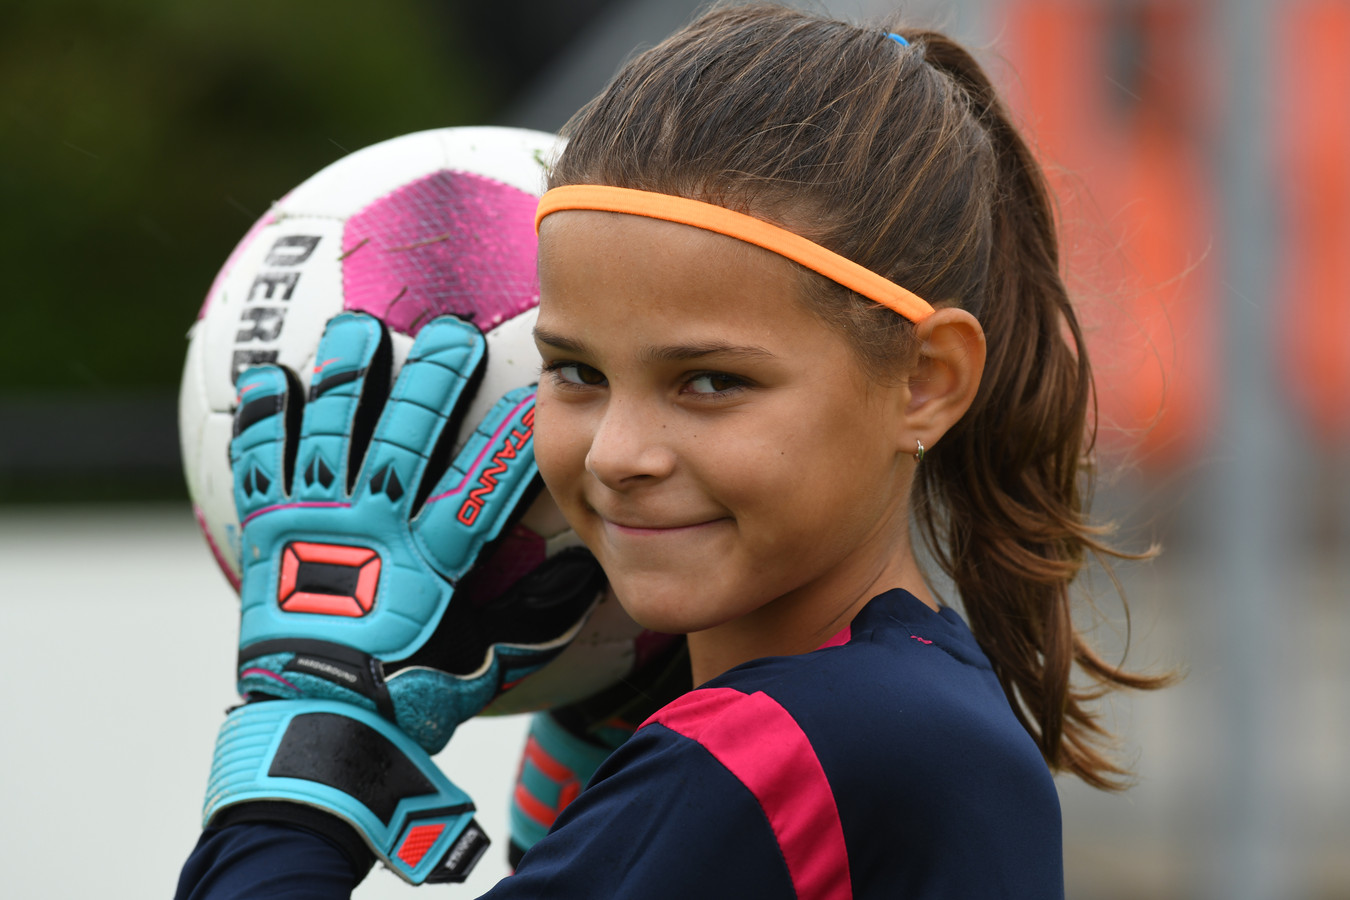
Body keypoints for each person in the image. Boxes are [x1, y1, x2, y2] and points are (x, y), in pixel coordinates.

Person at [176, 5, 1173, 898]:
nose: (618, 453)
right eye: (573, 373)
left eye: (710, 382)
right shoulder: (902, 699)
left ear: (927, 380)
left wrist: (313, 721)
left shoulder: (796, 752)